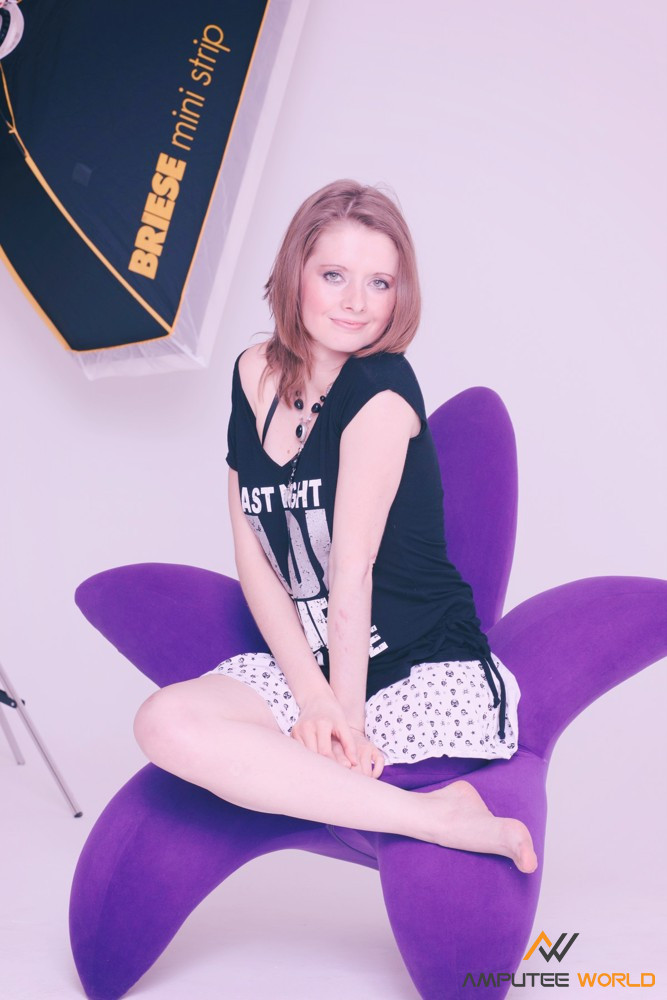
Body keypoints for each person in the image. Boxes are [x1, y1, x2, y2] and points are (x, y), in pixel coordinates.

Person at [134, 179, 538, 874]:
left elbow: (350, 570)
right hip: (315, 661)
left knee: (295, 755)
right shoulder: (252, 373)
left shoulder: (381, 391)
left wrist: (342, 720)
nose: (356, 302)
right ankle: (435, 817)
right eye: (333, 275)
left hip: (414, 662)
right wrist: (312, 697)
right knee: (162, 721)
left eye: (379, 282)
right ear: (295, 274)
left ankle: (398, 800)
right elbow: (254, 553)